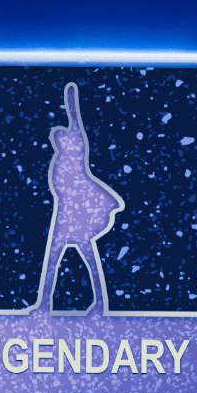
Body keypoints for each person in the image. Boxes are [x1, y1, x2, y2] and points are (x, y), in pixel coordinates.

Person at [37, 83, 124, 312]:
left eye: (61, 134)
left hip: (77, 212)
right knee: (57, 258)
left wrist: (71, 99)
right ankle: (45, 303)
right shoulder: (61, 157)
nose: (57, 135)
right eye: (56, 136)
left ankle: (97, 302)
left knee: (68, 257)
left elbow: (75, 119)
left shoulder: (76, 149)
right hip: (66, 211)